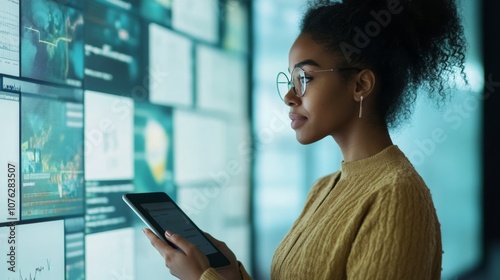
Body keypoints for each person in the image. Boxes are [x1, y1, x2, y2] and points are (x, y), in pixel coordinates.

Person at [143, 0, 467, 279]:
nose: (289, 96)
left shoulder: (395, 195)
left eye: (305, 78)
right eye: (289, 79)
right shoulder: (325, 187)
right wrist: (230, 273)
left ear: (360, 85)